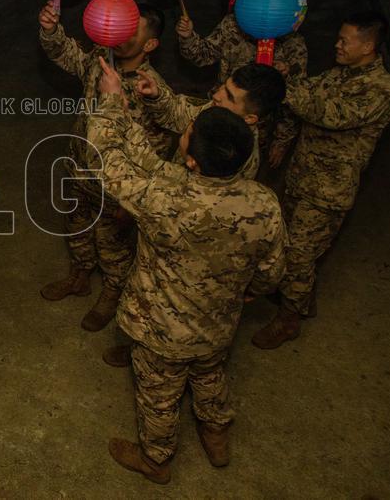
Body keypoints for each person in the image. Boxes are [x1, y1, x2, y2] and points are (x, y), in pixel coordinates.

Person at [88, 57, 287, 483]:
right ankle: (216, 431)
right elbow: (271, 274)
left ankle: (156, 459)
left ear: (193, 161)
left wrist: (107, 105)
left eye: (188, 135)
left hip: (162, 331)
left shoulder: (163, 199)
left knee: (158, 394)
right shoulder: (262, 202)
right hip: (218, 322)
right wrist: (246, 293)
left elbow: (108, 161)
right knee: (210, 372)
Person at [252, 11, 390, 349]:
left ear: (369, 46)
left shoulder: (381, 90)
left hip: (328, 191)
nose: (337, 44)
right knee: (291, 245)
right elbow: (312, 89)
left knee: (299, 255)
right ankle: (301, 296)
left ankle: (290, 319)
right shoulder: (341, 74)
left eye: (345, 41)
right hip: (303, 178)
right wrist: (288, 76)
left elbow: (331, 115)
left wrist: (282, 90)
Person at [36, 0, 175, 333]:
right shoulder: (102, 59)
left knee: (112, 244)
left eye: (133, 29)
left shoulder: (151, 89)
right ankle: (80, 274)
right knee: (76, 227)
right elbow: (68, 55)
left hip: (116, 186)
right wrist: (51, 30)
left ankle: (113, 292)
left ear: (151, 44)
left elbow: (158, 148)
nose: (122, 33)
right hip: (81, 168)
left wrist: (134, 203)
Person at [177, 12, 308, 168]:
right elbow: (202, 56)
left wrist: (282, 140)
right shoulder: (233, 24)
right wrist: (187, 37)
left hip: (257, 125)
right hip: (218, 108)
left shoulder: (293, 44)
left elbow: (294, 99)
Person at [136, 62, 288, 181]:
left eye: (229, 96)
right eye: (224, 86)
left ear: (249, 118)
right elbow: (180, 115)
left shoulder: (237, 156)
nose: (216, 95)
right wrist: (156, 96)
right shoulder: (220, 111)